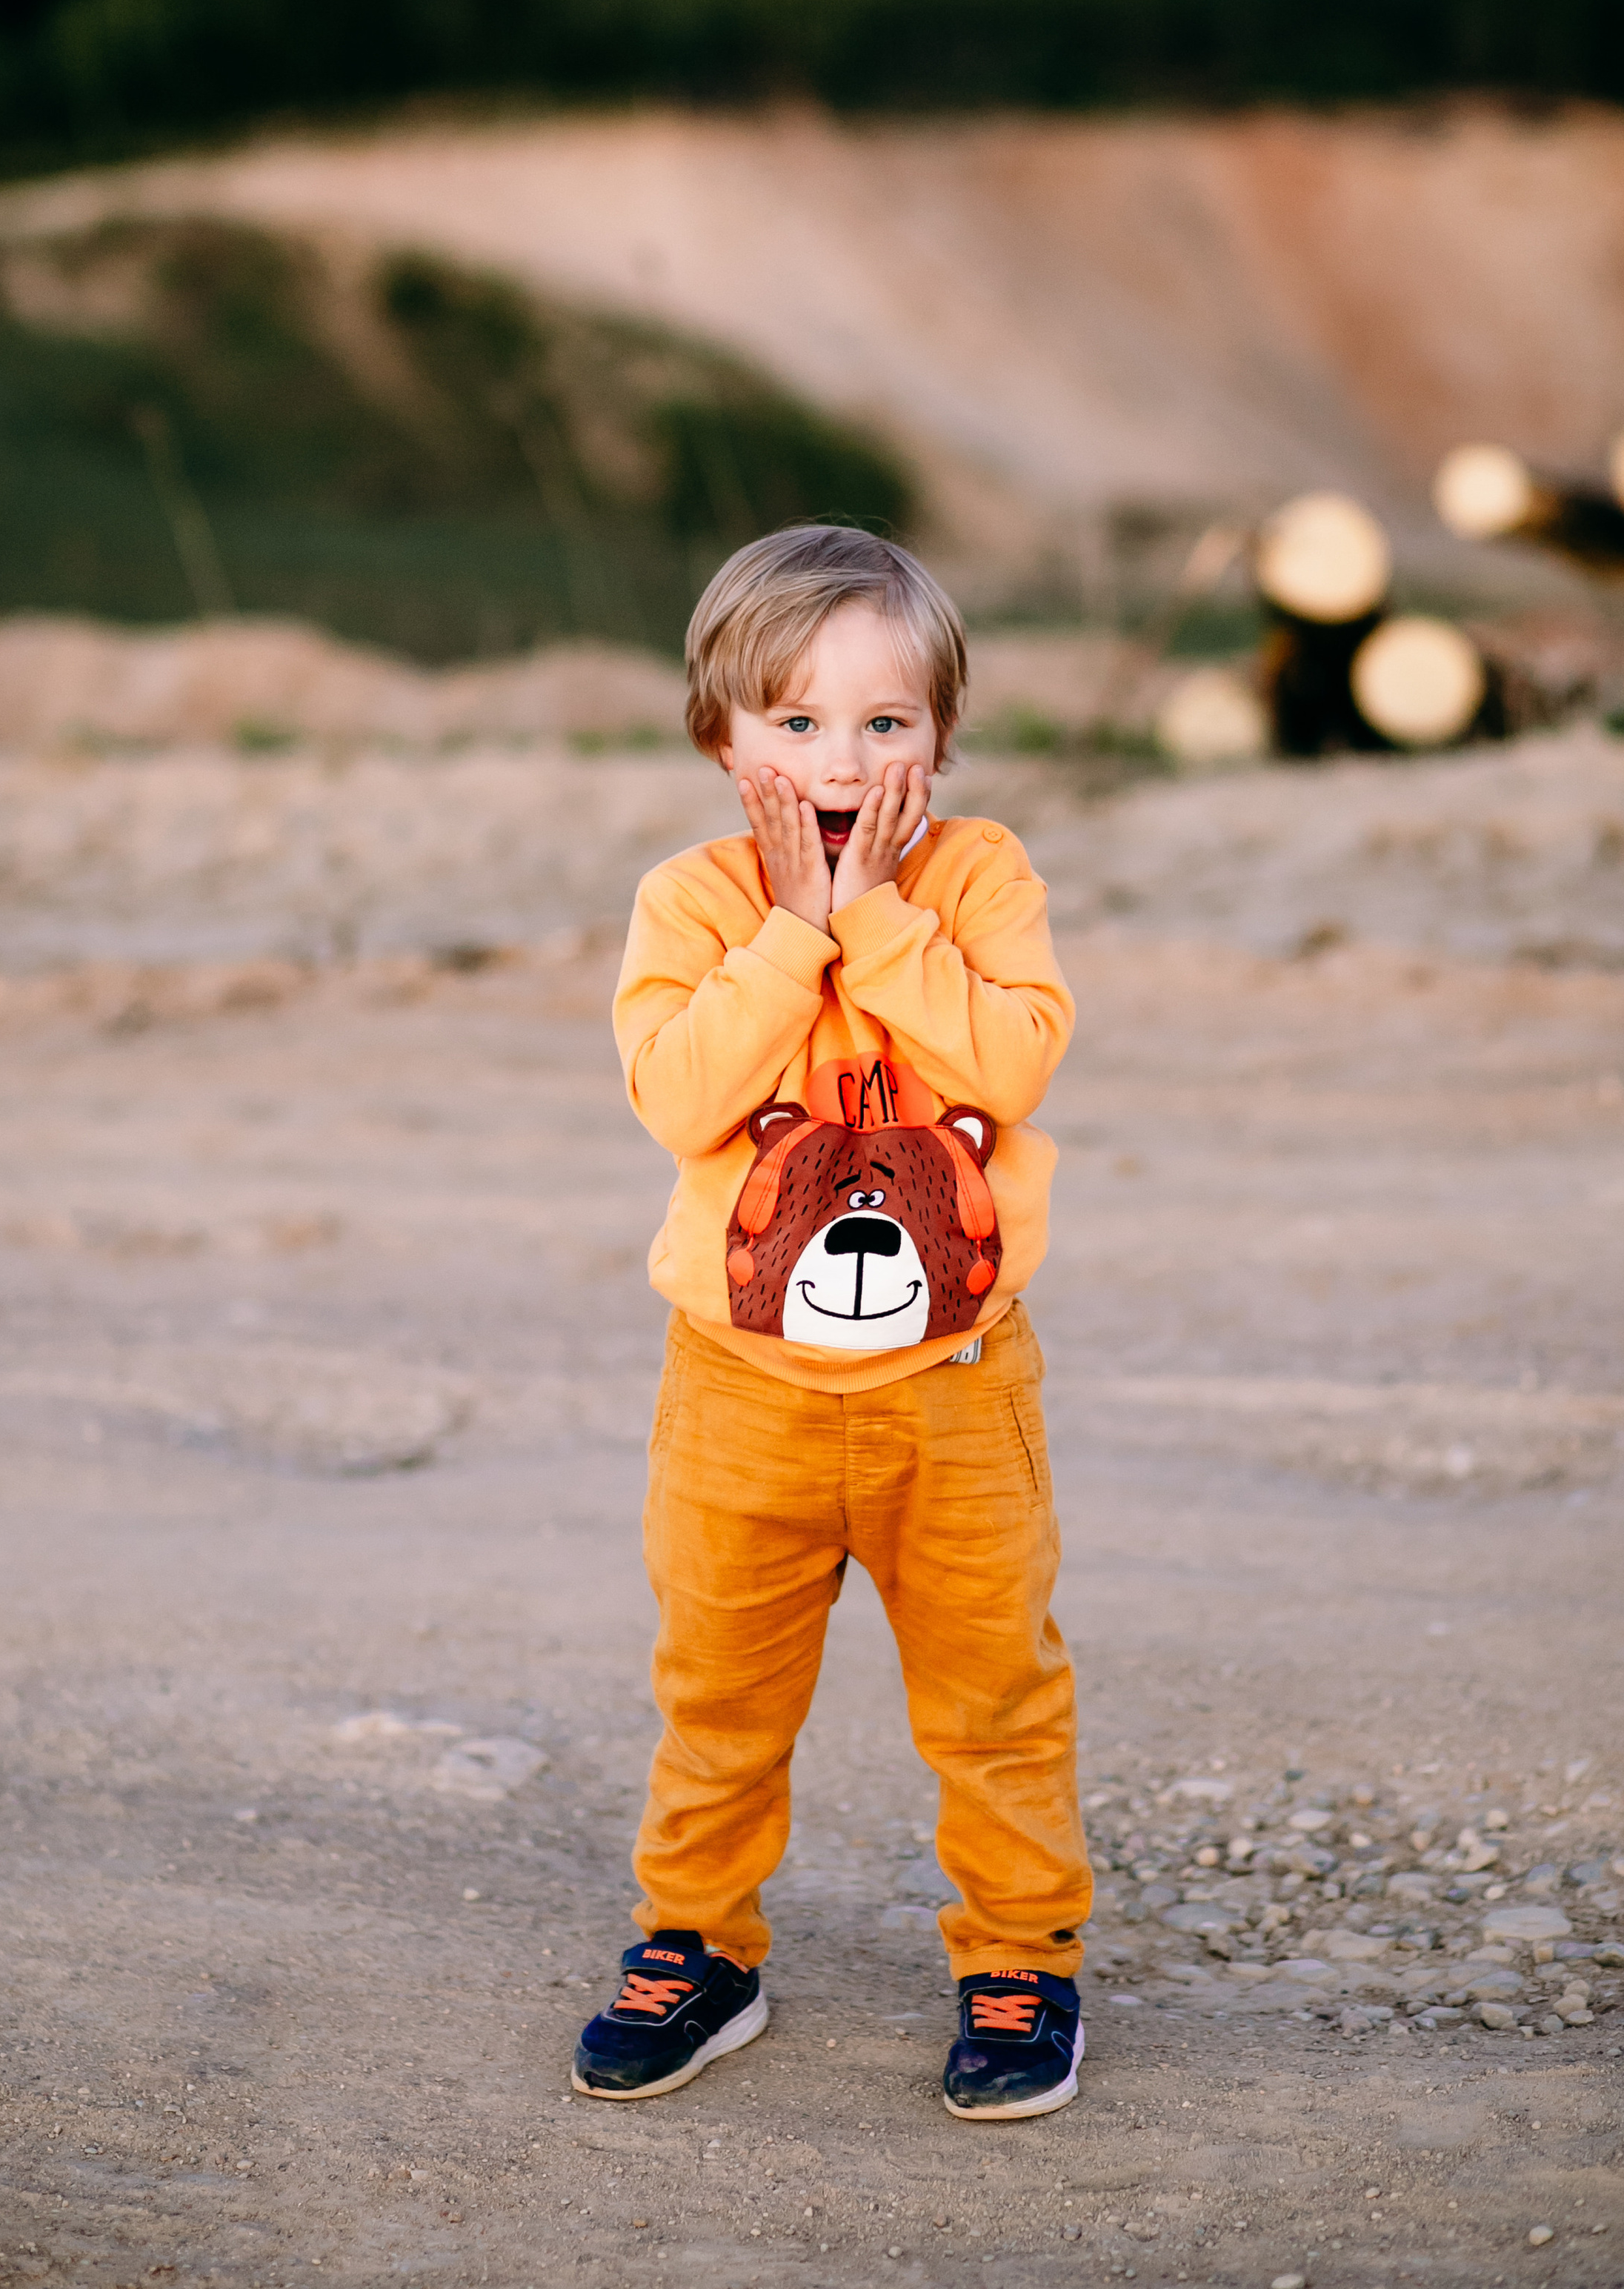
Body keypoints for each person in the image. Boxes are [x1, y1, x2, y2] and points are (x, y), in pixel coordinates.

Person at [570, 524, 1090, 2118]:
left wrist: (875, 917)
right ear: (719, 736)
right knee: (719, 1693)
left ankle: (1020, 1959)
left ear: (941, 732)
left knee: (994, 1695)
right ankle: (696, 1945)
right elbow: (681, 1098)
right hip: (739, 1396)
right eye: (794, 722)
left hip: (957, 1390)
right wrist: (792, 932)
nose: (842, 761)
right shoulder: (691, 902)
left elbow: (1009, 1062)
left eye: (884, 721)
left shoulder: (977, 877)